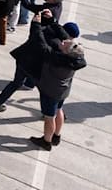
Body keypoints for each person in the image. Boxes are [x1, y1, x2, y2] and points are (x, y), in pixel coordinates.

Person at [0, 13, 74, 114]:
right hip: (35, 68)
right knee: (44, 91)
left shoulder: (45, 30)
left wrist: (38, 23)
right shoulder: (58, 45)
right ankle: (47, 113)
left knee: (15, 84)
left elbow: (38, 34)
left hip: (23, 60)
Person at [29, 10, 86, 150]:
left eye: (65, 44)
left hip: (50, 91)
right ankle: (56, 136)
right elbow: (65, 38)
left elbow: (41, 43)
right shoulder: (76, 58)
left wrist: (36, 24)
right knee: (59, 110)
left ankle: (46, 141)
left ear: (66, 52)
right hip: (62, 91)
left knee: (49, 117)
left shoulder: (56, 58)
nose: (64, 41)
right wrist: (53, 21)